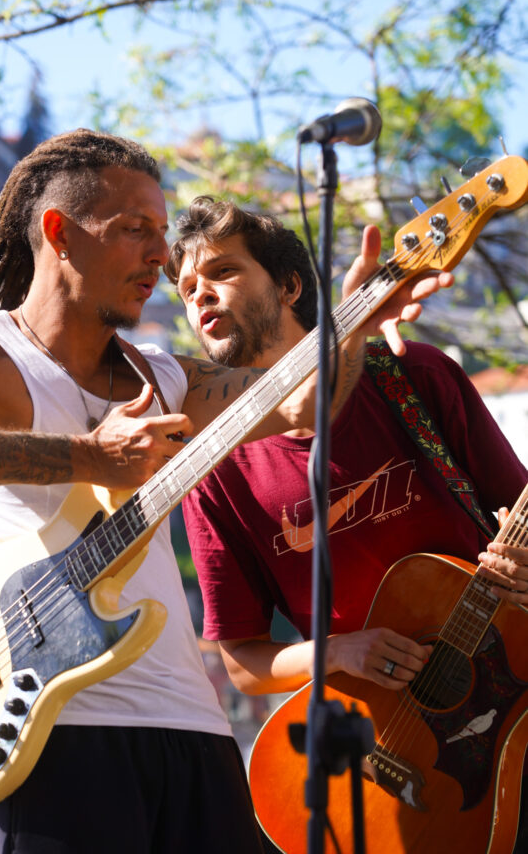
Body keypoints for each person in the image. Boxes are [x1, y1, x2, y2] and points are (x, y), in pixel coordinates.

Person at [0, 131, 449, 854]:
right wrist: (86, 456)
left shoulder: (170, 378)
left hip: (190, 723)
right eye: (135, 230)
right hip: (53, 723)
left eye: (162, 234)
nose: (162, 257)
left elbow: (299, 403)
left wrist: (360, 314)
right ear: (59, 233)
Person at [165, 195, 528, 849]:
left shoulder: (412, 375)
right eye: (188, 287)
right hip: (368, 752)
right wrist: (341, 654)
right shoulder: (213, 464)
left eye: (221, 272)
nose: (200, 296)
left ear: (289, 284)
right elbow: (244, 662)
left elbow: (520, 512)